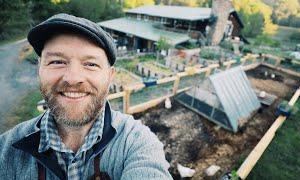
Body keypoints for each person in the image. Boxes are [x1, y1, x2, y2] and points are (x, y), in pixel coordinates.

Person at [0, 13, 172, 180]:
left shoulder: (136, 143)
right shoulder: (5, 152)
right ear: (40, 69)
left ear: (110, 76)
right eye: (57, 61)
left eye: (91, 64)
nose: (73, 78)